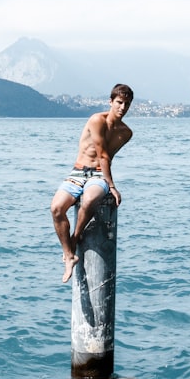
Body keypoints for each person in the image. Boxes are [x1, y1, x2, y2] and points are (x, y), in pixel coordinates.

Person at [50, 84, 134, 283]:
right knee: (56, 208)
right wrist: (112, 187)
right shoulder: (97, 120)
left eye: (127, 104)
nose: (122, 107)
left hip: (98, 176)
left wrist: (106, 182)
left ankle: (75, 238)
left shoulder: (126, 133)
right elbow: (102, 153)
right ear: (111, 102)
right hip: (78, 172)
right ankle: (69, 256)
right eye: (119, 102)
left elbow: (107, 158)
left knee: (89, 200)